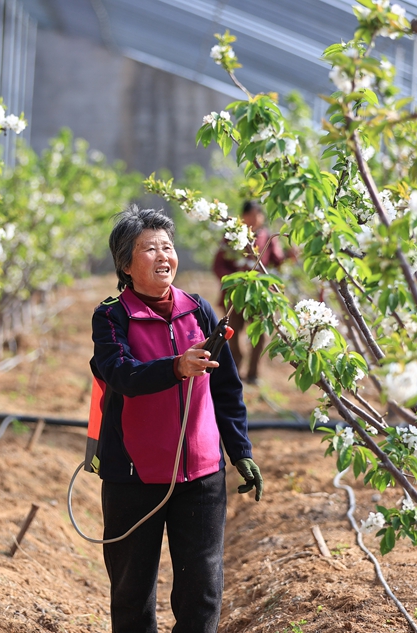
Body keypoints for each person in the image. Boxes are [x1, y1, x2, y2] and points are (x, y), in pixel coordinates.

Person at [90, 205, 262, 633]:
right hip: (133, 476)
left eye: (168, 246)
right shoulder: (111, 316)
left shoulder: (198, 309)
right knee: (132, 593)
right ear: (126, 264)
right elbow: (120, 374)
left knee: (201, 591)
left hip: (201, 476)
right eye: (150, 249)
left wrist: (239, 451)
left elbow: (226, 389)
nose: (163, 255)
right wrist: (175, 367)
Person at [212, 200, 286, 384]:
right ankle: (235, 368)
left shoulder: (267, 238)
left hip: (259, 295)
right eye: (250, 215)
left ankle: (253, 374)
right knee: (232, 333)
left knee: (260, 334)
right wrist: (234, 279)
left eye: (257, 215)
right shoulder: (232, 236)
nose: (254, 219)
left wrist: (287, 255)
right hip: (237, 294)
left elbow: (277, 260)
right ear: (243, 217)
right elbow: (218, 264)